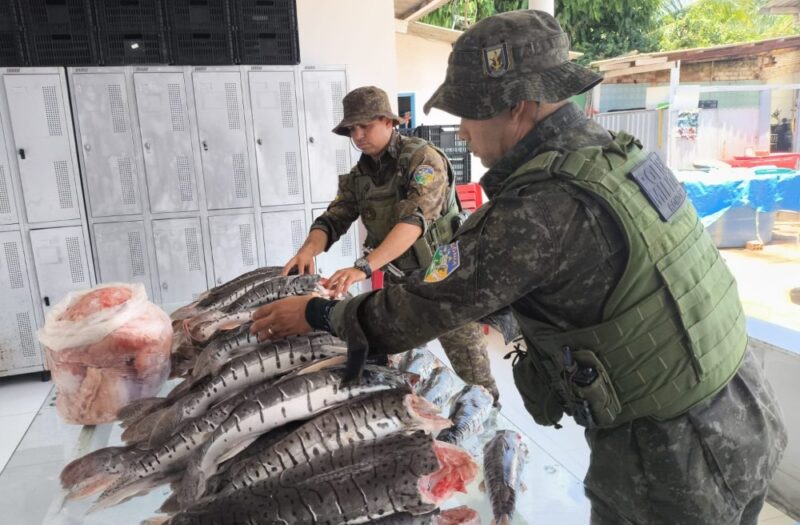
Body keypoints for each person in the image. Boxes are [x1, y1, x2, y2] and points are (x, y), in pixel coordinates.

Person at [252, 11, 787, 524]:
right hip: (741, 407)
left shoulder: (540, 204)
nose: (462, 131)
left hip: (673, 457)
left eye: (468, 112)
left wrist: (320, 314)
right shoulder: (616, 153)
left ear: (517, 106)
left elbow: (420, 308)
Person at [281, 85, 499, 401]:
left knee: (475, 379)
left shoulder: (423, 159)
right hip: (402, 284)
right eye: (351, 129)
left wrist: (363, 268)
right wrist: (307, 250)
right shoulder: (360, 177)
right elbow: (334, 218)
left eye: (365, 126)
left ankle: (484, 418)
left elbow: (414, 223)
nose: (358, 135)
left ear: (388, 121)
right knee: (394, 368)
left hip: (446, 281)